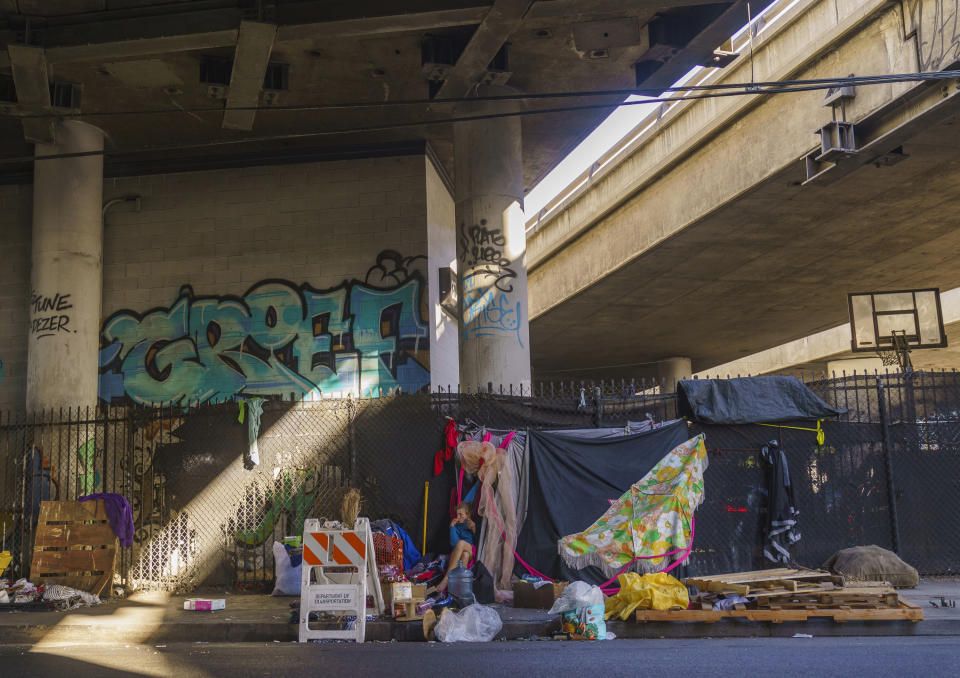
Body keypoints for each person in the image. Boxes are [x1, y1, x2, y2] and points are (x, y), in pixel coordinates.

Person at [431, 502, 476, 593]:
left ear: (468, 515)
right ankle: (459, 589)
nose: (458, 517)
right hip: (457, 552)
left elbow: (477, 540)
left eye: (461, 514)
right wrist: (452, 527)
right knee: (465, 555)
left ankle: (447, 579)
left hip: (471, 549)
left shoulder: (471, 524)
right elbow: (453, 544)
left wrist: (474, 528)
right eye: (457, 514)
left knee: (463, 545)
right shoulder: (455, 526)